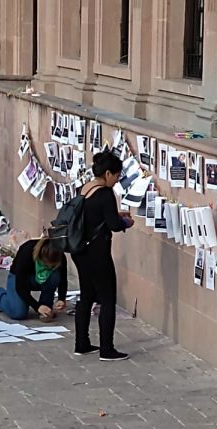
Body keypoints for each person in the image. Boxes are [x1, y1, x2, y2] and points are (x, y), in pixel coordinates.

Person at [72, 151, 133, 361]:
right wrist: (126, 222)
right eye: (116, 176)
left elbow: (94, 216)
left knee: (86, 296)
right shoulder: (106, 194)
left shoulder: (86, 189)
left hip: (80, 251)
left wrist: (115, 215)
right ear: (108, 173)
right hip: (98, 253)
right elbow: (114, 226)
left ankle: (82, 343)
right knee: (107, 299)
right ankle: (107, 349)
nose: (116, 181)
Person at [0, 237, 68, 321]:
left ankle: (46, 307)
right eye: (47, 265)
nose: (49, 267)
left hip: (40, 279)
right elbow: (20, 286)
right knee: (18, 313)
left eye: (52, 266)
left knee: (55, 276)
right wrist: (37, 306)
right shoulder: (27, 252)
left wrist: (61, 299)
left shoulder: (60, 256)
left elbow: (63, 279)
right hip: (19, 278)